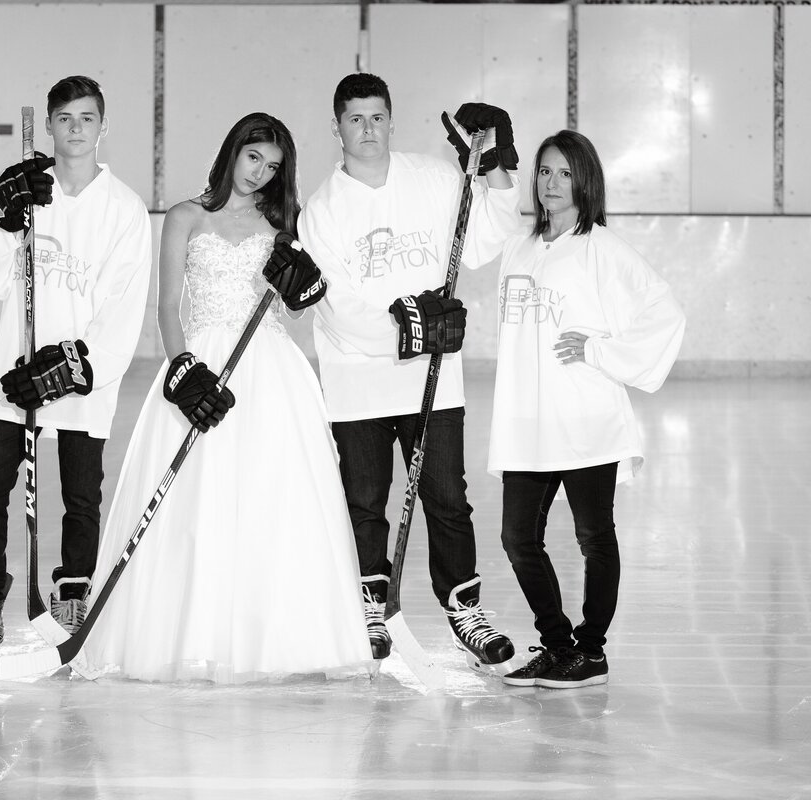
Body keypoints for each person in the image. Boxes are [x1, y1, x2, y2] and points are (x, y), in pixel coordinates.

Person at [80, 112, 372, 683]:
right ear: (233, 151)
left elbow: (296, 309)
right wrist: (183, 370)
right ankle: (192, 634)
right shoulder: (185, 217)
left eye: (273, 167)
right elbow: (167, 309)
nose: (260, 173)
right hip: (204, 366)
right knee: (196, 503)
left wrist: (304, 287)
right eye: (253, 157)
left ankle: (276, 640)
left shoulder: (284, 223)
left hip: (272, 374)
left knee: (273, 500)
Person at [298, 72, 521, 673]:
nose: (367, 129)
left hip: (434, 380)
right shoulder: (321, 209)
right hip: (357, 384)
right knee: (364, 502)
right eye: (355, 119)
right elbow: (336, 307)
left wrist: (494, 163)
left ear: (391, 120)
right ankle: (370, 605)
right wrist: (411, 332)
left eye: (377, 117)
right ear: (337, 128)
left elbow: (489, 235)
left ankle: (465, 612)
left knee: (447, 499)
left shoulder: (434, 177)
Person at [0, 76, 151, 659]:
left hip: (79, 379)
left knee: (81, 495)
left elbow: (123, 307)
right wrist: (1, 218)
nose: (75, 128)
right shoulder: (23, 189)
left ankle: (72, 595)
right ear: (49, 125)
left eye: (86, 118)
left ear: (103, 126)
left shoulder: (124, 208)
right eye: (65, 118)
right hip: (13, 369)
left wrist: (67, 370)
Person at [491, 130, 685, 689]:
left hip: (586, 418)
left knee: (594, 537)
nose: (552, 183)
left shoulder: (602, 247)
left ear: (585, 182)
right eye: (544, 172)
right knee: (517, 538)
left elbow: (665, 310)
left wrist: (601, 352)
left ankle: (591, 651)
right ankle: (557, 646)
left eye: (565, 173)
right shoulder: (520, 247)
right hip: (527, 420)